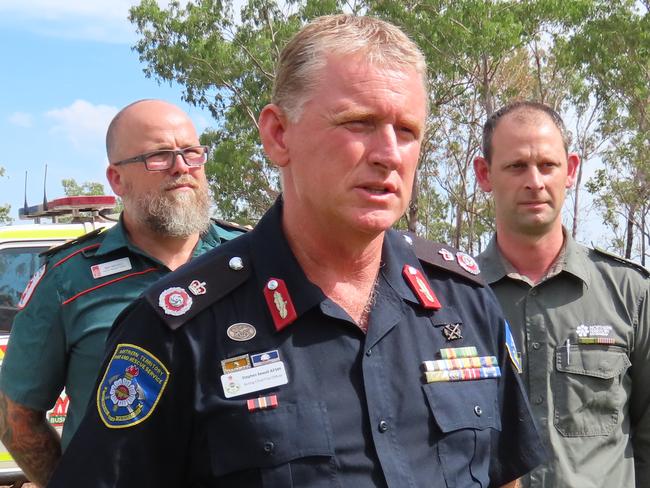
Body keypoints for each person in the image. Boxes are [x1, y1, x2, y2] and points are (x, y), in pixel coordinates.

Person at [48, 16, 544, 488]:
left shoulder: (465, 298)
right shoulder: (178, 329)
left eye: (407, 131)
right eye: (358, 123)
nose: (389, 153)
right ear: (278, 135)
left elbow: (504, 474)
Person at [0, 99, 244, 487]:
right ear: (116, 179)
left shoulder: (247, 258)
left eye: (191, 153)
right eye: (159, 156)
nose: (181, 167)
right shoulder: (68, 280)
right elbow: (17, 417)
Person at [473, 101, 650, 488]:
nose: (534, 181)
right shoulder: (454, 299)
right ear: (485, 174)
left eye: (547, 166)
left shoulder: (630, 294)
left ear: (570, 171)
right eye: (517, 166)